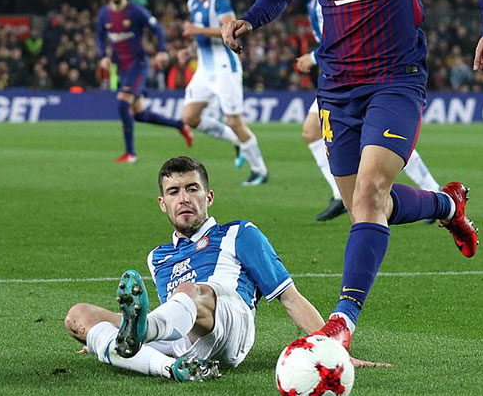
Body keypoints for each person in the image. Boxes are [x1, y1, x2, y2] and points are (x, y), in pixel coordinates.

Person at [223, 0, 483, 349]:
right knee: (365, 207)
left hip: (396, 79)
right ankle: (447, 205)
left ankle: (342, 322)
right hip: (336, 89)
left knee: (371, 191)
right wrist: (250, 19)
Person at [63, 156, 325, 381]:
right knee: (78, 315)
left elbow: (290, 298)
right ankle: (169, 368)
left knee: (189, 290)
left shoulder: (239, 233)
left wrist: (329, 348)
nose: (184, 198)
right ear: (162, 203)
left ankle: (127, 340)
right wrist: (101, 333)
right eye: (174, 192)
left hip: (230, 324)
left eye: (192, 189)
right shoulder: (157, 258)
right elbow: (173, 316)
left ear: (208, 197)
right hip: (184, 339)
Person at [298, 0, 441, 222]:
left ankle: (433, 191)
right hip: (337, 76)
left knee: (383, 139)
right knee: (312, 131)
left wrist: (313, 58)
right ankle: (339, 193)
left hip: (357, 76)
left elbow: (342, 35)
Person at [180, 0, 270, 186]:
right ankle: (238, 142)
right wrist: (190, 51)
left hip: (224, 68)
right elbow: (201, 38)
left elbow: (229, 29)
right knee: (190, 116)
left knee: (234, 121)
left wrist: (197, 30)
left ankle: (260, 170)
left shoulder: (219, 0)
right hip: (204, 68)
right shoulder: (193, 2)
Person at [97, 0, 193, 163]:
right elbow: (100, 37)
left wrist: (161, 50)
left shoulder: (136, 11)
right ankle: (180, 125)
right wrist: (103, 56)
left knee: (123, 102)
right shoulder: (104, 14)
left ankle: (130, 153)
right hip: (121, 67)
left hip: (137, 64)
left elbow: (157, 29)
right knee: (139, 114)